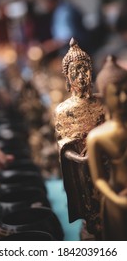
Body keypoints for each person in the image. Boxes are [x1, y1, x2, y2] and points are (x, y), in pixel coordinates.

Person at [54, 38, 105, 239]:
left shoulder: (102, 102)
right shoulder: (63, 111)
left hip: (106, 162)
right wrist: (82, 159)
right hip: (84, 168)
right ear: (67, 77)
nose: (81, 75)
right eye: (76, 71)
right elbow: (63, 147)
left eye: (85, 69)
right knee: (91, 207)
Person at [87, 55, 127, 240]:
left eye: (126, 90)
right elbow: (99, 179)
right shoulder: (97, 137)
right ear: (104, 98)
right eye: (117, 92)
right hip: (117, 198)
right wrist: (117, 199)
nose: (124, 97)